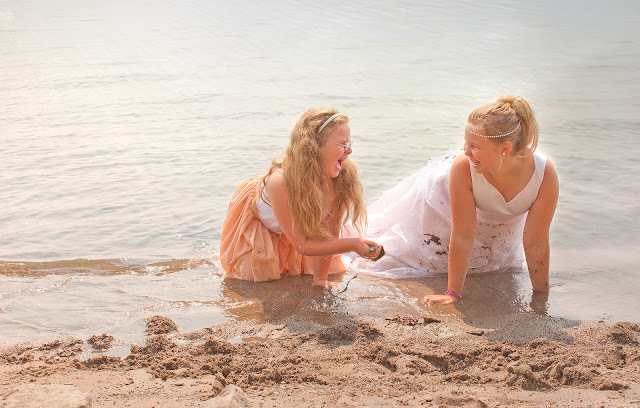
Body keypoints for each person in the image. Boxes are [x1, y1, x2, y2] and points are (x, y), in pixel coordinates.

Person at [343, 95, 559, 303]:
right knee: (416, 259)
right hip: (440, 205)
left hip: (494, 221)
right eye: (466, 143)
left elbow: (536, 242)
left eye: (474, 146)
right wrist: (453, 293)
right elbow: (464, 234)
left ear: (505, 149)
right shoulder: (463, 166)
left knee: (489, 266)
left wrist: (542, 295)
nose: (465, 151)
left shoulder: (543, 174)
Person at [219, 108, 383, 287]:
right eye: (343, 144)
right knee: (255, 276)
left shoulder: (340, 177)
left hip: (295, 218)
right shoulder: (280, 182)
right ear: (314, 146)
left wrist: (320, 279)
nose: (350, 150)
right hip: (259, 215)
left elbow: (330, 232)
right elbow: (302, 245)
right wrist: (353, 244)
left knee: (315, 268)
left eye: (350, 143)